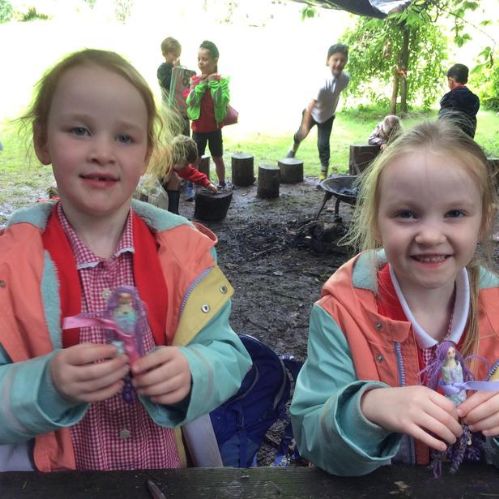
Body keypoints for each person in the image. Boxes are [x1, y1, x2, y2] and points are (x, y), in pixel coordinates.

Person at [0, 48, 251, 472]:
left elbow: (229, 353)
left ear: (148, 152)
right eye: (79, 130)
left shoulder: (181, 255)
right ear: (43, 140)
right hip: (57, 480)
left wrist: (193, 371)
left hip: (165, 472)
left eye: (124, 137)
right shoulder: (12, 267)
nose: (102, 151)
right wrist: (47, 384)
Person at [290, 120, 499, 476]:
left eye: (455, 213)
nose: (431, 235)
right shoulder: (342, 313)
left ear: (483, 222)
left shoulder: (494, 305)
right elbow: (310, 435)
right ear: (376, 222)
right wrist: (368, 408)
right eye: (406, 214)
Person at [286, 43, 350, 182]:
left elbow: (337, 93)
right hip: (312, 113)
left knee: (323, 144)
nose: (339, 63)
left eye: (342, 60)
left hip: (327, 117)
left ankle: (323, 174)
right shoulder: (322, 82)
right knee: (300, 135)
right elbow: (310, 106)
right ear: (328, 61)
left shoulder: (345, 79)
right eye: (335, 59)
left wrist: (331, 109)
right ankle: (293, 149)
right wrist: (305, 127)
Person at [186, 40, 230, 189]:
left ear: (215, 60)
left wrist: (213, 84)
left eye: (204, 59)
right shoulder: (195, 80)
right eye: (199, 59)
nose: (201, 62)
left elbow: (220, 102)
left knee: (218, 157)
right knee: (195, 159)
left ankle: (222, 183)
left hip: (214, 129)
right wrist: (201, 85)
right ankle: (192, 186)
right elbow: (190, 101)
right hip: (198, 129)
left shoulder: (222, 81)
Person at [155, 134, 217, 214]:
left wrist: (207, 184)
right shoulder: (160, 159)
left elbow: (192, 173)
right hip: (152, 191)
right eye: (186, 163)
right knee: (174, 178)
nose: (187, 166)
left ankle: (173, 212)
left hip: (164, 192)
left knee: (175, 179)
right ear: (180, 157)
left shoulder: (180, 165)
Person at [438, 63, 480, 138]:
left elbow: (442, 124)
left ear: (451, 80)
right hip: (467, 143)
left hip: (449, 144)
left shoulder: (448, 98)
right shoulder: (474, 99)